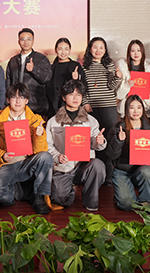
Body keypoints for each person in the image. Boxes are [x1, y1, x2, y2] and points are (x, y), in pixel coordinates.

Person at [0, 83, 53, 214]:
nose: (18, 101)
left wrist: (39, 136)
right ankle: (19, 192)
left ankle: (39, 197)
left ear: (27, 100)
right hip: (7, 164)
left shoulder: (36, 120)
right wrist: (2, 155)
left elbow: (40, 152)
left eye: (22, 97)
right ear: (8, 99)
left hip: (27, 162)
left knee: (46, 157)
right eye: (14, 97)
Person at [46, 80, 107, 211]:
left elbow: (96, 144)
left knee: (98, 165)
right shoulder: (53, 122)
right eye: (71, 94)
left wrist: (99, 141)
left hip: (83, 165)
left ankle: (90, 200)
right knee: (59, 198)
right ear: (63, 97)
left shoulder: (91, 121)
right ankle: (69, 192)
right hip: (63, 167)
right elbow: (48, 145)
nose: (75, 98)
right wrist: (57, 156)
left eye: (79, 95)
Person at [107, 95, 150, 211]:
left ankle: (147, 200)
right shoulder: (118, 128)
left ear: (143, 109)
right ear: (126, 109)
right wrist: (119, 141)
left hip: (141, 169)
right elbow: (111, 155)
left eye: (139, 107)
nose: (136, 111)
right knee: (127, 205)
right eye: (132, 107)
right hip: (122, 170)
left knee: (147, 171)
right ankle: (122, 194)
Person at [81, 37, 120, 185]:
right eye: (95, 47)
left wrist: (117, 77)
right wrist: (85, 102)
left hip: (108, 106)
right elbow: (82, 87)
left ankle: (109, 176)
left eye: (101, 47)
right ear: (90, 49)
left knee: (108, 139)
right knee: (94, 139)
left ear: (105, 50)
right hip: (92, 107)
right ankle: (96, 174)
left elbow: (111, 86)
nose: (98, 50)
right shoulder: (84, 66)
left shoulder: (109, 64)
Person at [5, 28, 52, 117]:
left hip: (35, 106)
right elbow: (8, 82)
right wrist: (7, 102)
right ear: (19, 41)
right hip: (16, 106)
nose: (26, 42)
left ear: (33, 41)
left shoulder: (41, 58)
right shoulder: (13, 61)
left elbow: (47, 78)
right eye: (23, 39)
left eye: (29, 39)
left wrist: (34, 69)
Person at [116, 39, 150, 120]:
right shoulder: (123, 70)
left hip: (145, 113)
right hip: (126, 112)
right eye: (133, 51)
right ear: (129, 53)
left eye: (139, 50)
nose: (136, 53)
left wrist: (141, 105)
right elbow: (118, 95)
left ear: (142, 52)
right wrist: (127, 85)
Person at [46, 37, 85, 118]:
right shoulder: (51, 68)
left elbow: (84, 86)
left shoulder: (76, 66)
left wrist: (76, 79)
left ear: (70, 50)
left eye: (66, 49)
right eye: (60, 49)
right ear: (56, 50)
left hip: (72, 108)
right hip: (54, 107)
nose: (63, 52)